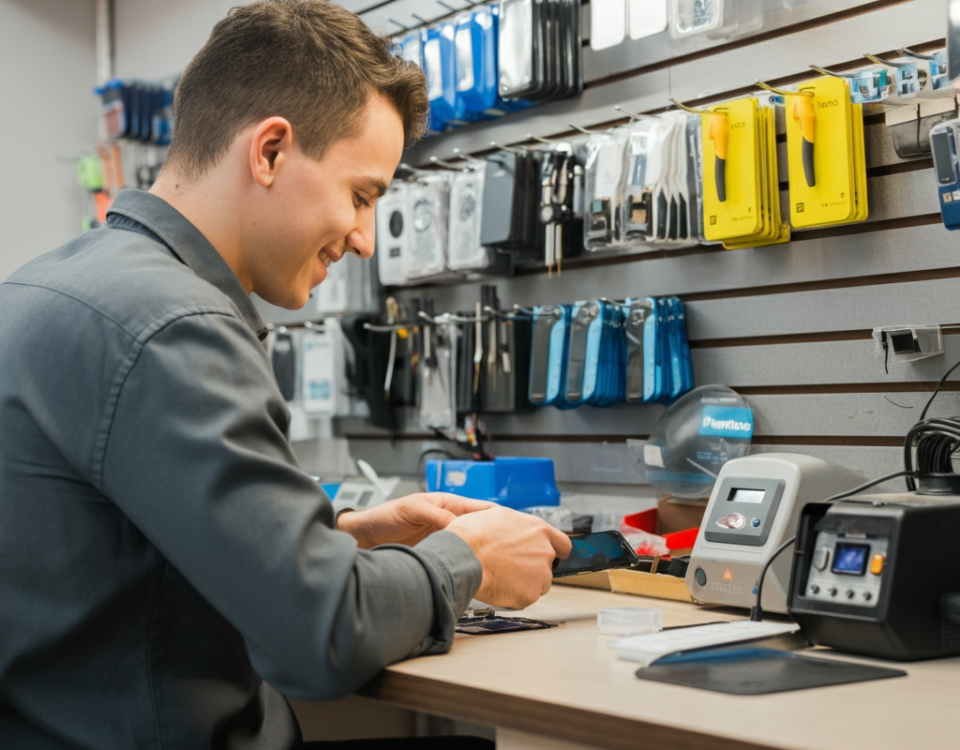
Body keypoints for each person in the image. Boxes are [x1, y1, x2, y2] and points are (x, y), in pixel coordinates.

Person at [0, 1, 572, 748]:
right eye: (362, 195)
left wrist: (341, 537)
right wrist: (467, 561)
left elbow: (113, 551)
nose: (366, 239)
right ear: (269, 151)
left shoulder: (43, 288)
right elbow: (320, 636)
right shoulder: (175, 328)